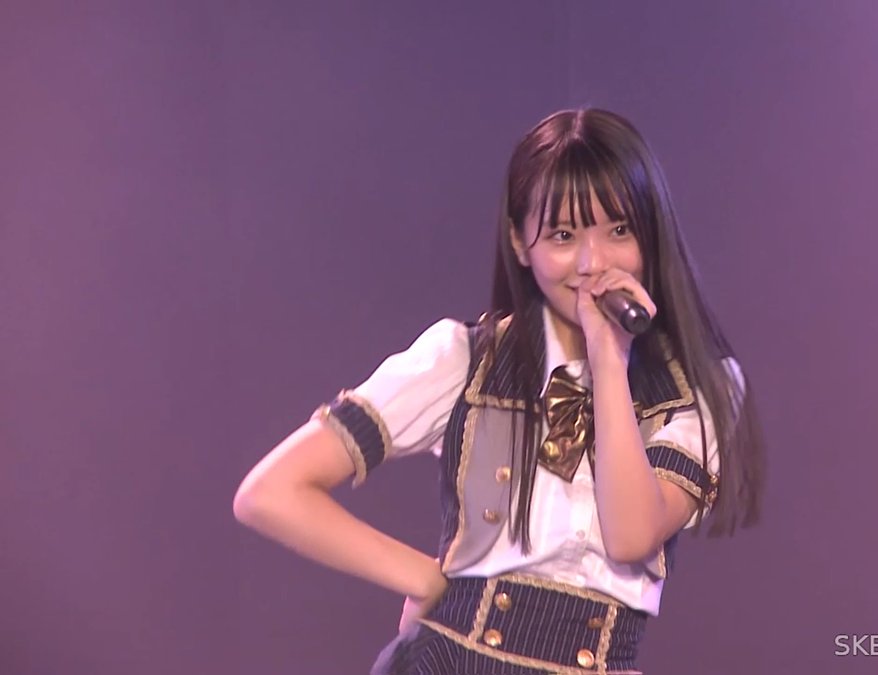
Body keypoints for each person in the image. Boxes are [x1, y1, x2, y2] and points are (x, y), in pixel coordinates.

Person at [233, 108, 765, 674]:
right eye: (563, 235)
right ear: (519, 242)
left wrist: (610, 360)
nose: (593, 263)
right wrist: (424, 577)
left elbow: (631, 536)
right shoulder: (465, 359)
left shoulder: (701, 387)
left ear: (651, 233)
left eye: (618, 230)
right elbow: (271, 492)